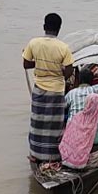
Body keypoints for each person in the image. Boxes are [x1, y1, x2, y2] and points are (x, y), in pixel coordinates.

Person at [23, 13, 74, 162]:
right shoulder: (63, 47)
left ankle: (36, 155)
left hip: (39, 89)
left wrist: (38, 63)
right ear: (59, 29)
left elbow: (26, 64)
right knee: (55, 126)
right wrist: (58, 71)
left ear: (44, 27)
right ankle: (53, 156)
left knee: (37, 122)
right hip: (57, 90)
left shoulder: (33, 43)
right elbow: (69, 71)